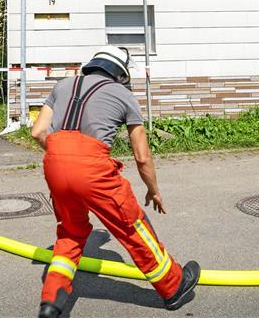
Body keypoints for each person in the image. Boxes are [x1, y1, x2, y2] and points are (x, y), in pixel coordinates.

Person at [31, 46, 199, 317]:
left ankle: (51, 301)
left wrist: (63, 159)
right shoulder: (123, 94)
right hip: (92, 167)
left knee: (71, 233)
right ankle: (174, 285)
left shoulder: (62, 85)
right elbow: (142, 156)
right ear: (120, 74)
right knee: (132, 227)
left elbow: (38, 131)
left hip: (54, 162)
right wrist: (153, 190)